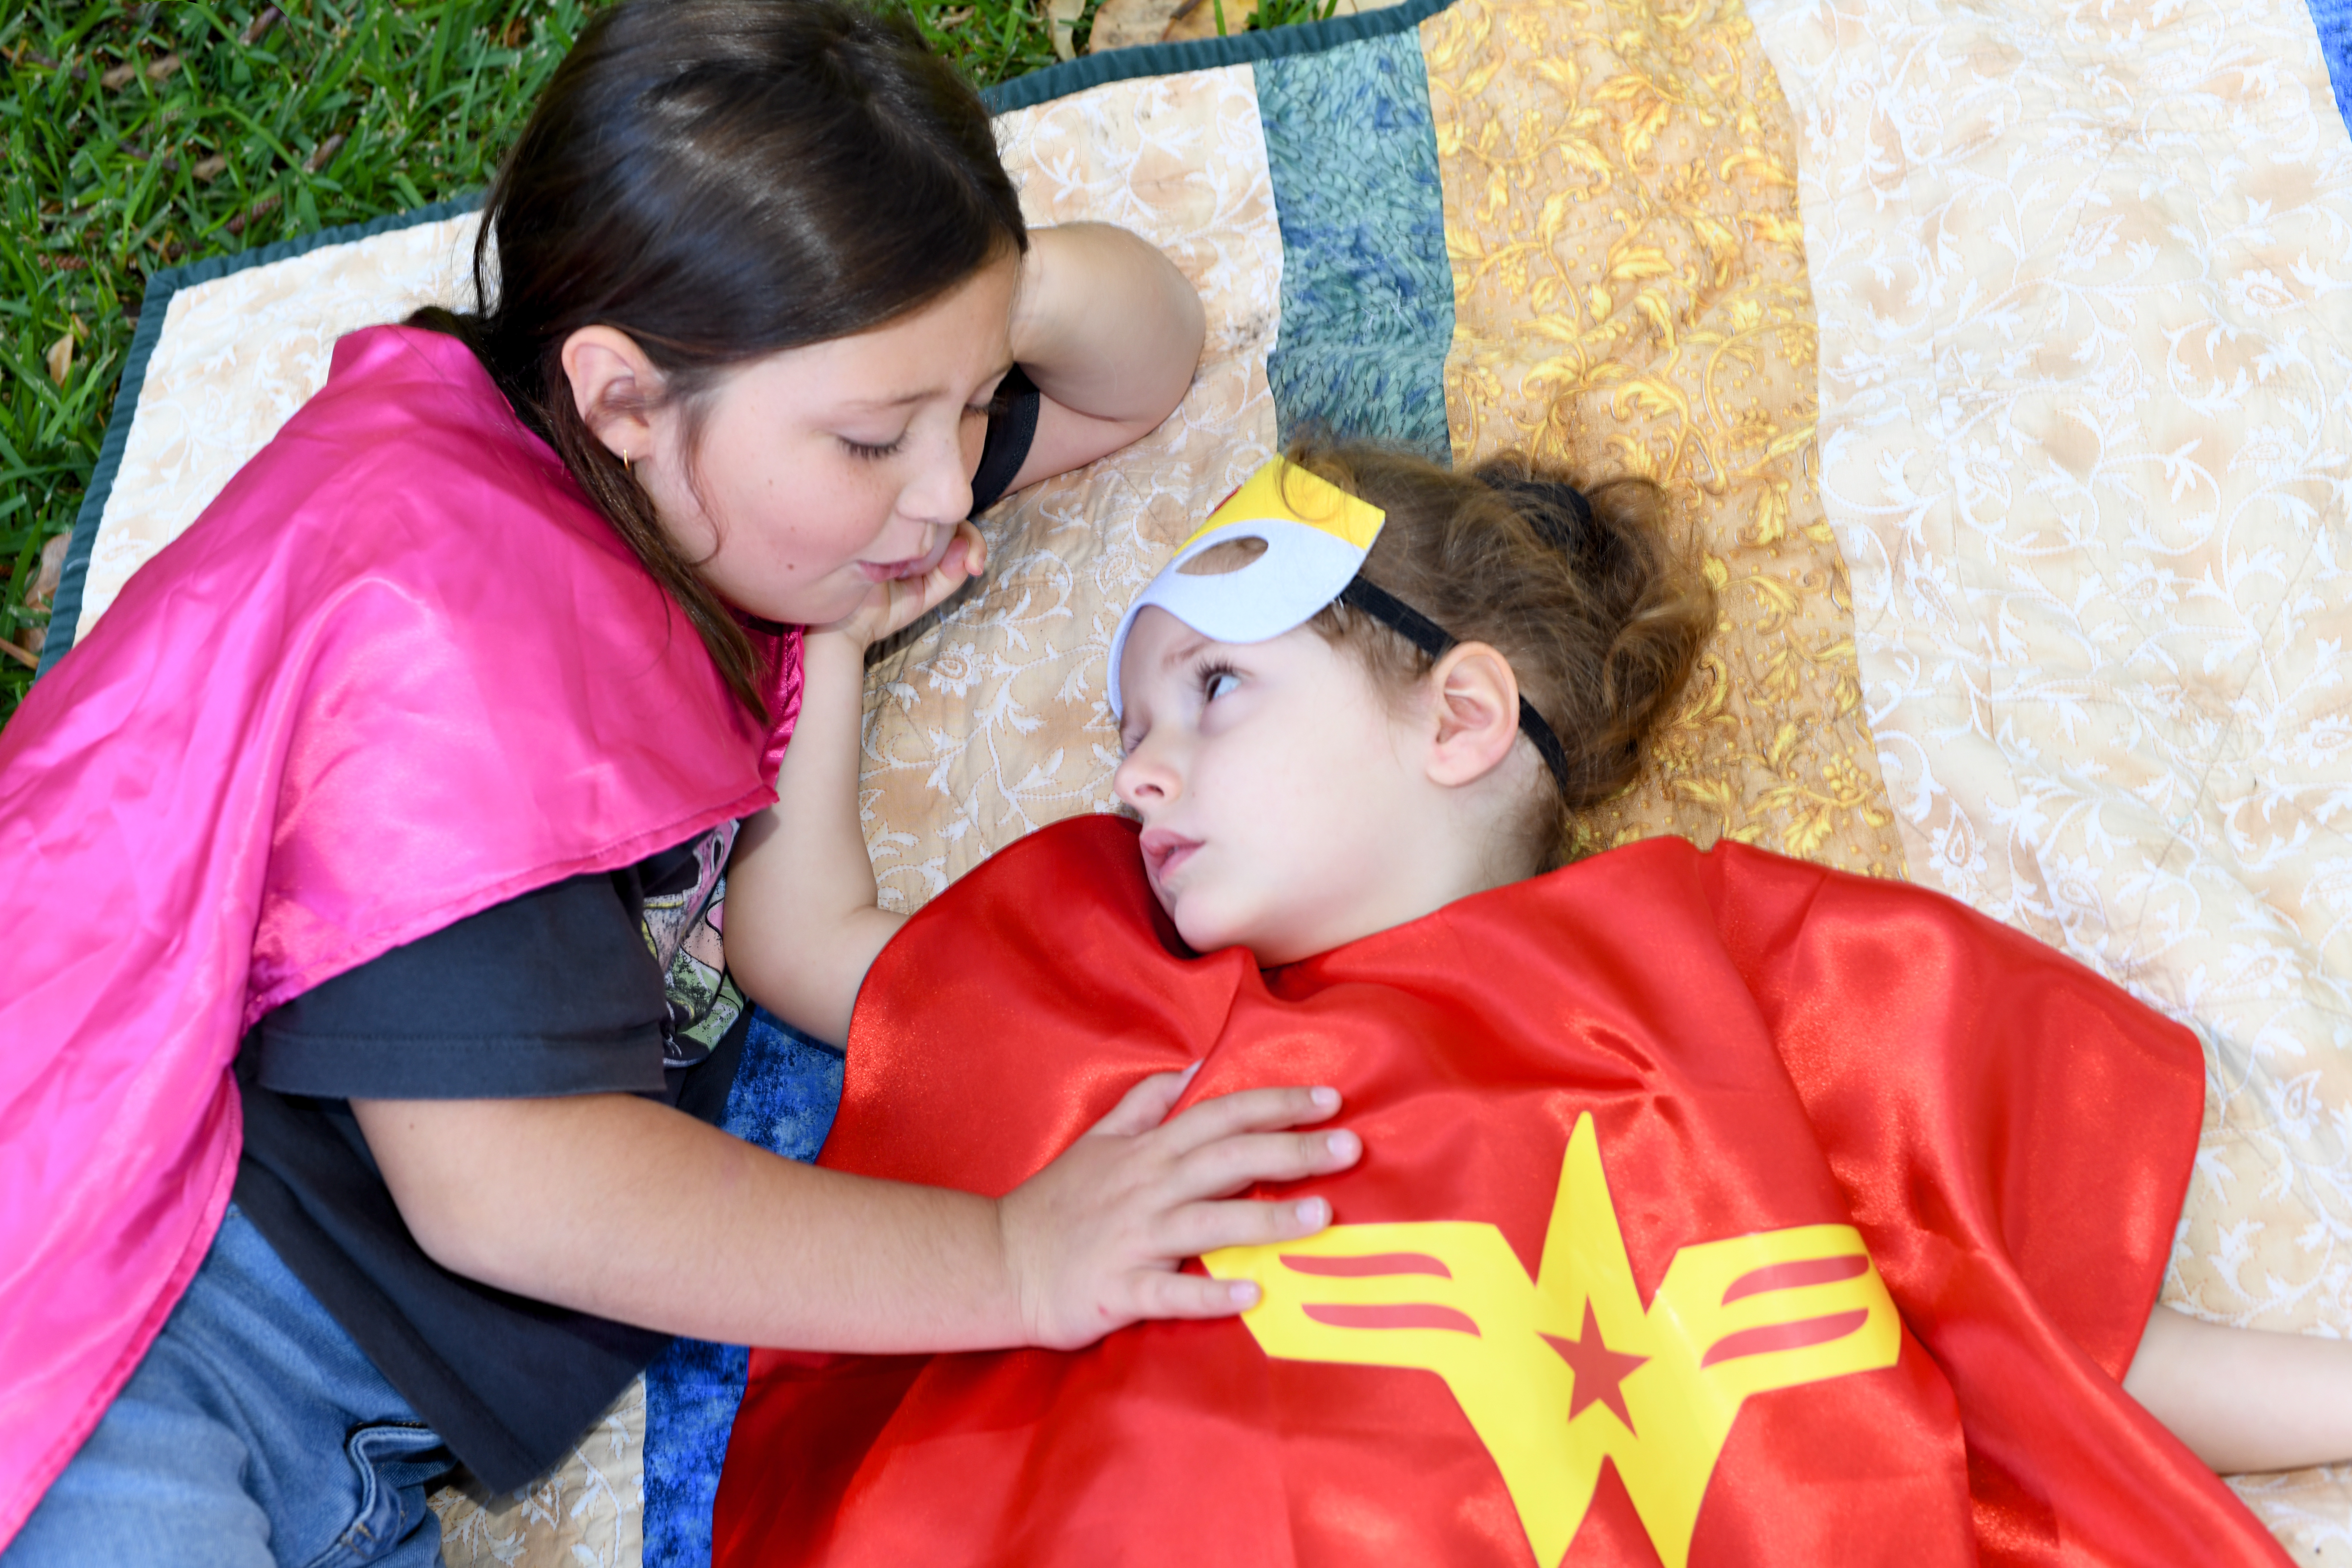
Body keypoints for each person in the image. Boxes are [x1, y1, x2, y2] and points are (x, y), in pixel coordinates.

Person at [0, 5, 1365, 1562]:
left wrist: (952, 301)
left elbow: (1142, 361)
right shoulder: (448, 632)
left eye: (972, 410)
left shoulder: (741, 473)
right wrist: (1012, 1264)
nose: (944, 487)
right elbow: (512, 1193)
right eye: (876, 437)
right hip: (116, 1338)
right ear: (625, 397)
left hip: (348, 1423)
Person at [718, 445, 2350, 1566]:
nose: (1141, 770)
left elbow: (2031, 1329)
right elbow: (799, 945)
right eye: (1132, 729)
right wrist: (830, 637)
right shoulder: (1121, 991)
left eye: (1213, 689)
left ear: (1460, 716)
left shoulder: (1722, 973)